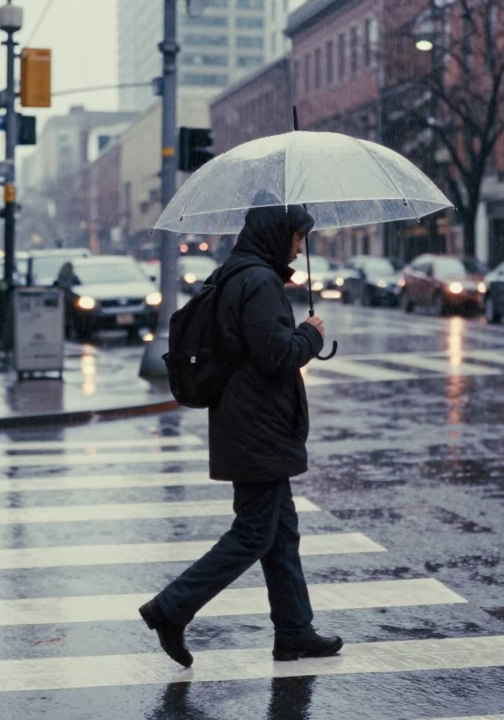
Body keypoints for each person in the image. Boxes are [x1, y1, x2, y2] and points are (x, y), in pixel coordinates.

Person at [139, 203, 339, 668]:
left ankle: (294, 631)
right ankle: (171, 608)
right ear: (276, 235)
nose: (298, 246)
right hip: (258, 427)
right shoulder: (260, 282)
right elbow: (275, 354)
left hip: (247, 422)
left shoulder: (236, 273)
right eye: (295, 237)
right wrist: (310, 335)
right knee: (253, 534)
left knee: (280, 532)